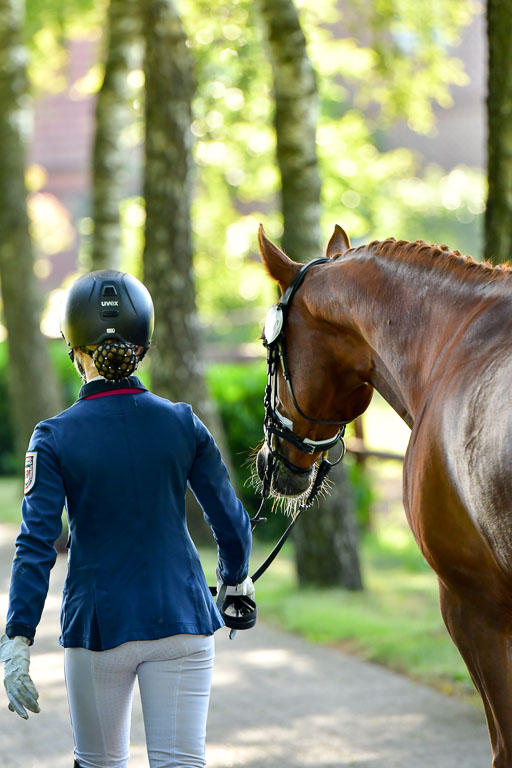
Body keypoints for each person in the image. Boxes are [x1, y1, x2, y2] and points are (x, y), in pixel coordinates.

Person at [0, 269, 253, 768]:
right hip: (181, 618)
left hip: (98, 627)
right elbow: (229, 518)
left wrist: (18, 638)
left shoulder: (53, 436)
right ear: (142, 346)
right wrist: (235, 579)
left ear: (76, 349)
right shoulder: (182, 421)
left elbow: (36, 544)